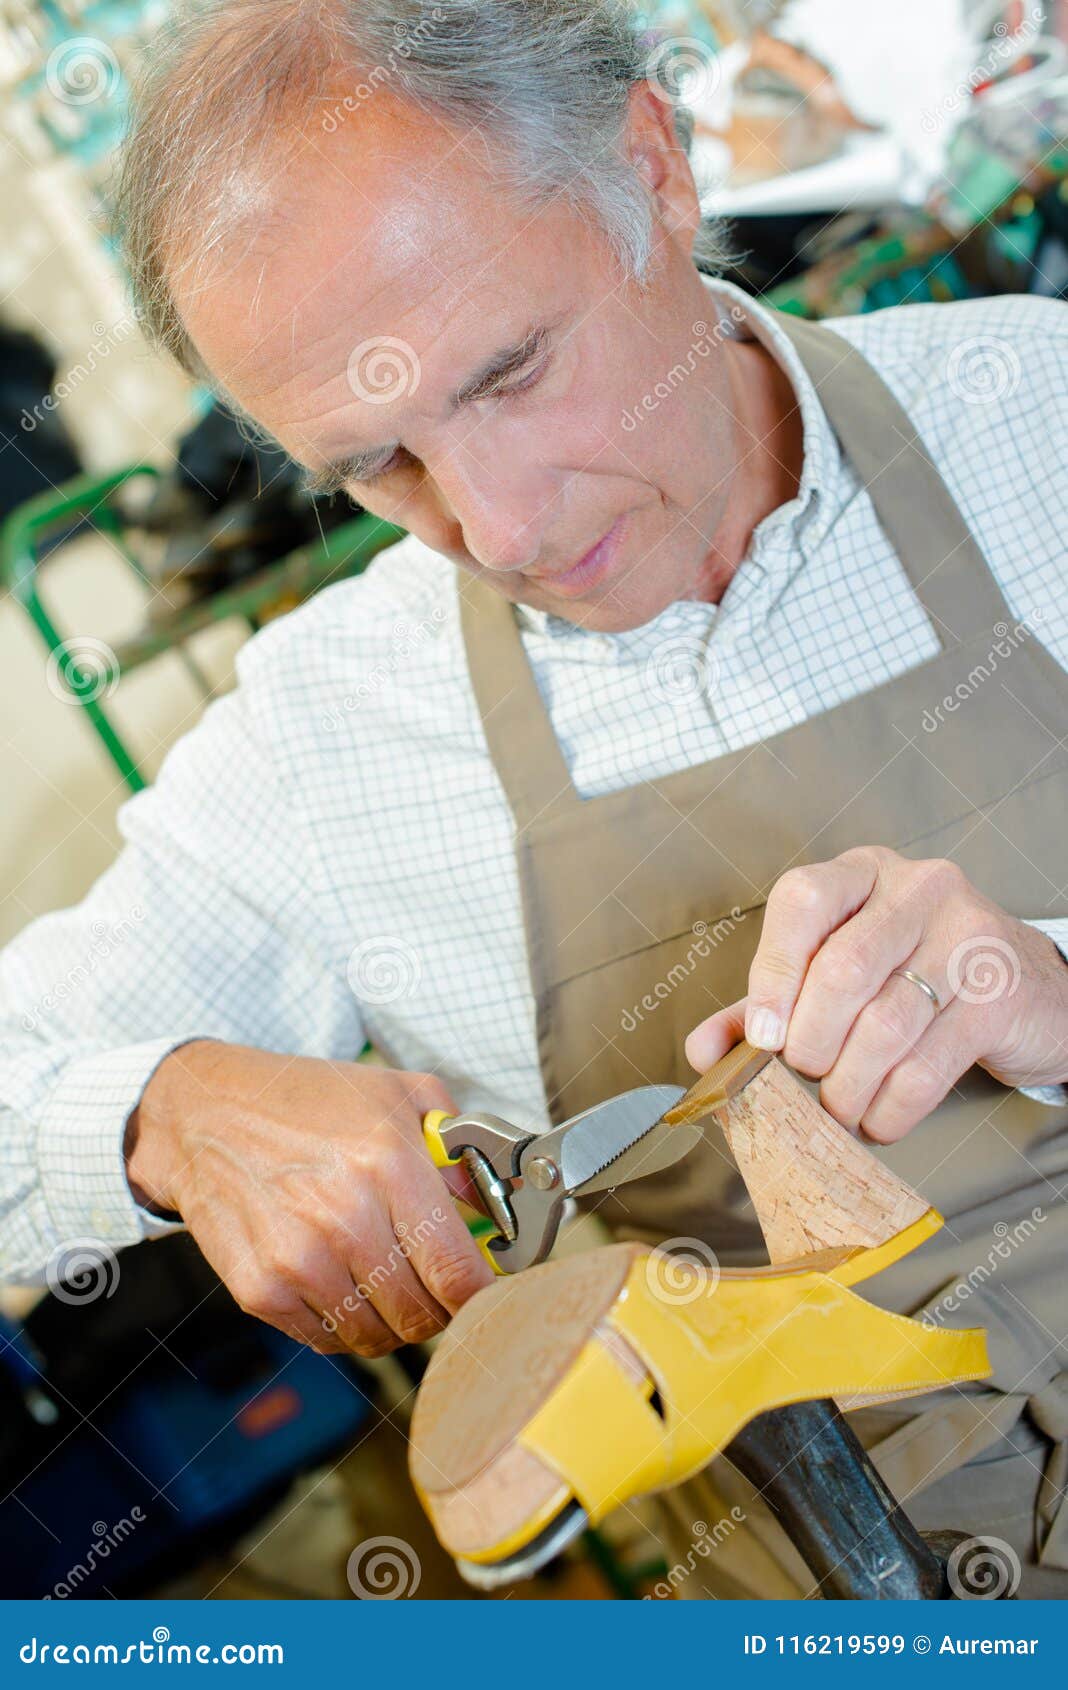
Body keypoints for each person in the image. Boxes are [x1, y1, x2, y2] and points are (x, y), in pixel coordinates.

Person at [3, 0, 1067, 1592]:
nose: (497, 529)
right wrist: (167, 1112)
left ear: (657, 168)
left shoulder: (1037, 422)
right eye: (373, 466)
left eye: (510, 372)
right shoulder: (330, 735)